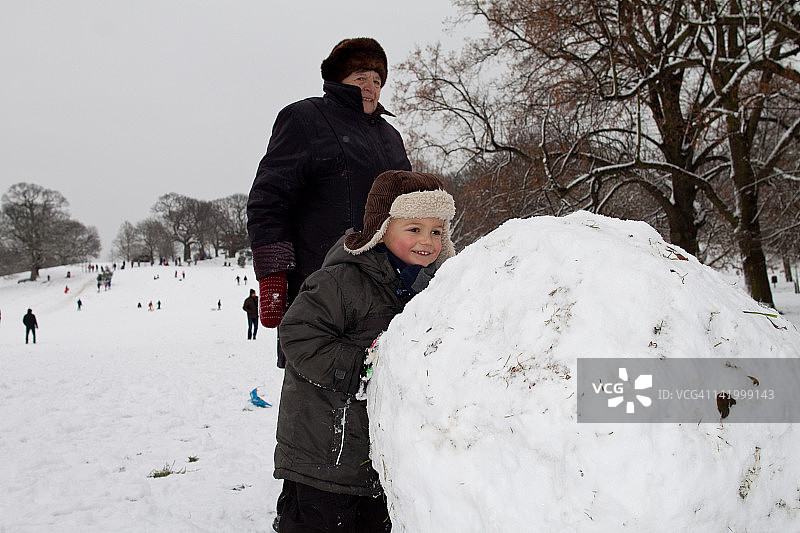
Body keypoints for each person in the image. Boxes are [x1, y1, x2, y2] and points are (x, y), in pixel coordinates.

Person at [274, 170, 456, 533]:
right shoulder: (341, 280)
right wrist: (367, 368)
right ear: (381, 229)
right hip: (324, 457)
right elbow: (299, 335)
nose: (427, 241)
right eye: (414, 228)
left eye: (437, 231)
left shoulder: (435, 290)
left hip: (382, 463)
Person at [247, 37, 411, 370]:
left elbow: (410, 207)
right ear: (339, 80)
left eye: (377, 80)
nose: (371, 87)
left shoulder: (390, 137)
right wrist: (273, 274)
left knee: (379, 385)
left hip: (384, 289)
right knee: (317, 385)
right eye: (360, 77)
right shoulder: (305, 118)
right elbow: (269, 199)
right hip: (320, 284)